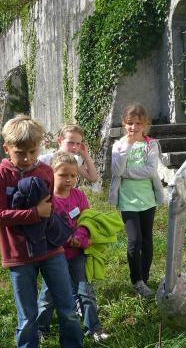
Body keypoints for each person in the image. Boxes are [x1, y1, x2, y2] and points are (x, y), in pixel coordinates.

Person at [0, 114, 83, 348]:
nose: (28, 158)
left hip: (51, 250)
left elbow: (49, 209)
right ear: (7, 148)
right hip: (18, 255)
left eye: (32, 151)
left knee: (68, 310)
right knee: (28, 317)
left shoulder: (44, 171)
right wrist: (33, 213)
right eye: (20, 153)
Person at [38, 152, 110, 341]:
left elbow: (87, 221)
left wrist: (80, 235)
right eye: (63, 175)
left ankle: (93, 328)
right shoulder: (47, 199)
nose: (69, 180)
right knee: (48, 297)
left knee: (85, 292)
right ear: (51, 174)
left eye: (73, 175)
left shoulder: (79, 196)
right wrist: (68, 239)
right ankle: (41, 328)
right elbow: (45, 229)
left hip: (78, 254)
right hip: (54, 256)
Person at [108, 103, 164, 298]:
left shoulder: (151, 144)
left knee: (147, 241)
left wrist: (127, 173)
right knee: (135, 240)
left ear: (145, 124)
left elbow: (150, 170)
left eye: (138, 124)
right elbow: (116, 171)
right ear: (124, 124)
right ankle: (136, 279)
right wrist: (129, 145)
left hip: (147, 199)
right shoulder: (119, 145)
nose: (134, 127)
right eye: (130, 123)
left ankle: (144, 279)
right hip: (127, 200)